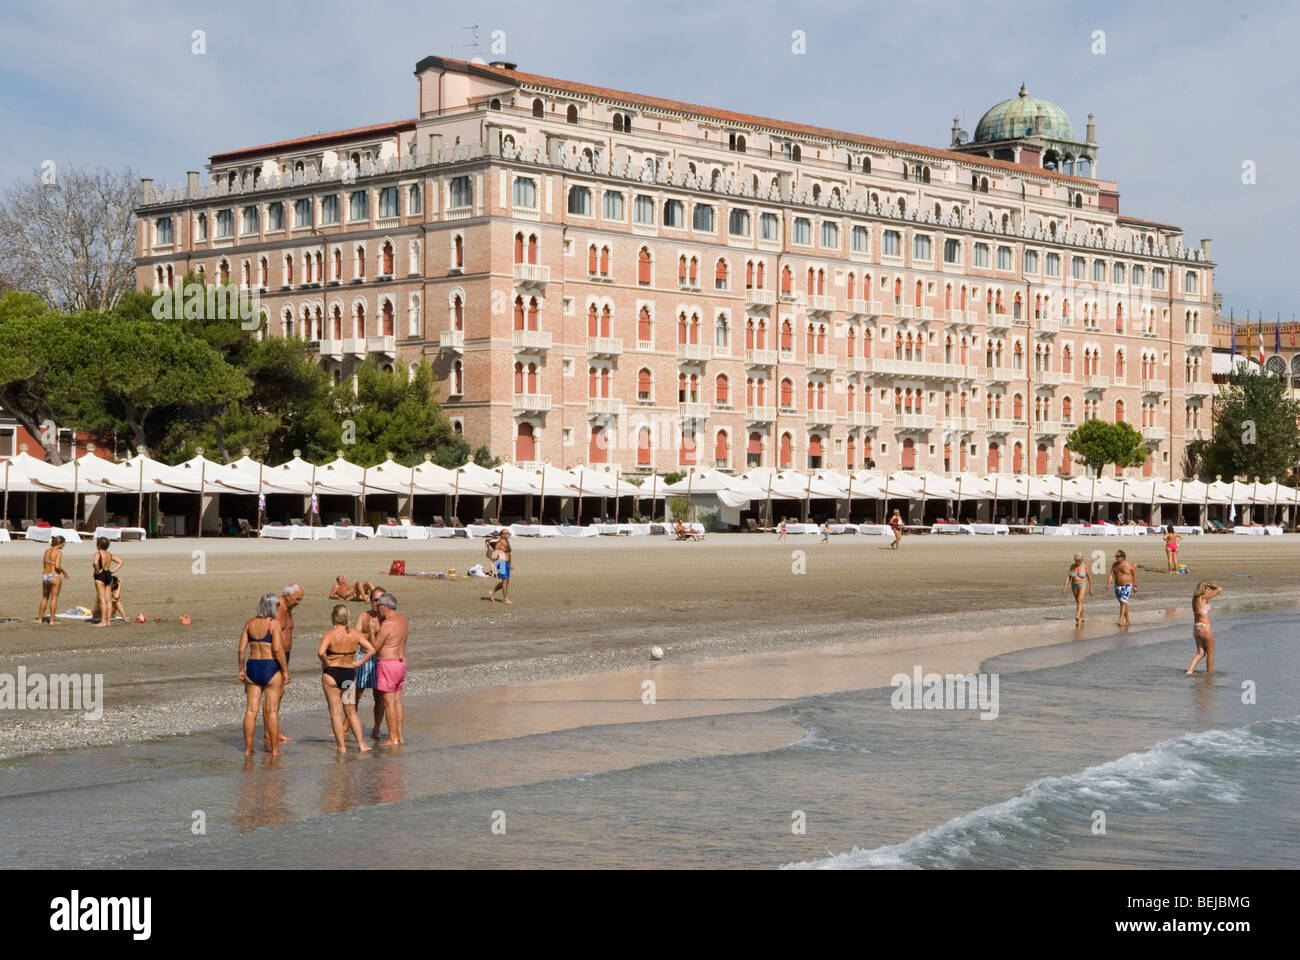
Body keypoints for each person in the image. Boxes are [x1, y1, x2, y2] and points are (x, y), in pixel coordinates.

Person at [318, 602, 375, 753]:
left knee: (335, 713)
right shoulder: (355, 634)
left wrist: (326, 662)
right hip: (348, 674)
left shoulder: (329, 634)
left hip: (331, 674)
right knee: (351, 711)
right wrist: (358, 663)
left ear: (333, 618)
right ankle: (362, 745)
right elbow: (371, 649)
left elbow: (321, 652)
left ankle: (341, 747)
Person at [237, 593, 289, 755]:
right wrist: (285, 670)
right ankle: (274, 750)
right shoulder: (273, 624)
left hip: (253, 666)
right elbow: (278, 649)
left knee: (251, 710)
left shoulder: (249, 623)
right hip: (270, 667)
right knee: (272, 710)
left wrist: (241, 669)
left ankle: (248, 749)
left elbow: (241, 650)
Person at [372, 593, 408, 745]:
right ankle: (399, 736)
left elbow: (375, 648)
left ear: (384, 607)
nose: (377, 609)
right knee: (397, 701)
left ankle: (392, 737)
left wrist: (373, 631)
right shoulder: (403, 621)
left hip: (388, 663)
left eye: (379, 606)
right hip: (401, 663)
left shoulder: (387, 624)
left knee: (389, 702)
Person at [271, 583, 303, 745]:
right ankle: (269, 734)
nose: (299, 603)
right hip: (276, 656)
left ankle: (274, 731)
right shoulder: (278, 609)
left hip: (285, 655)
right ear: (288, 596)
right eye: (297, 599)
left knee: (280, 693)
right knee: (273, 694)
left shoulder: (289, 609)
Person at [354, 586, 387, 738]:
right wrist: (370, 634)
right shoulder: (363, 616)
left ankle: (376, 728)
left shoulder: (386, 619)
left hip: (379, 659)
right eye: (375, 600)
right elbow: (355, 635)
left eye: (381, 600)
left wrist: (369, 634)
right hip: (362, 657)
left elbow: (380, 643)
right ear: (370, 600)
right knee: (355, 694)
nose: (378, 603)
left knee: (379, 696)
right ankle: (347, 725)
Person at [1186, 580, 1223, 674]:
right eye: (1208, 589)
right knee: (1211, 652)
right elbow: (1219, 589)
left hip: (1196, 628)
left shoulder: (1195, 599)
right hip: (1204, 627)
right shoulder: (1203, 597)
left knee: (1201, 653)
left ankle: (1189, 671)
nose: (1210, 591)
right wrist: (1212, 585)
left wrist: (1208, 586)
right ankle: (1210, 675)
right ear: (1203, 589)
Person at [90, 537, 124, 628]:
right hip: (108, 575)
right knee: (108, 599)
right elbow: (121, 562)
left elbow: (95, 563)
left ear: (98, 545)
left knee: (102, 599)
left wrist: (97, 570)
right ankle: (108, 621)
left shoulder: (97, 553)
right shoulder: (109, 554)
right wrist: (113, 571)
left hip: (100, 576)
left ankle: (103, 621)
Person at [37, 535, 70, 625]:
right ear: (60, 544)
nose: (63, 546)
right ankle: (52, 620)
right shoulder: (58, 552)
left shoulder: (47, 551)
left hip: (45, 575)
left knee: (44, 597)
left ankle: (40, 619)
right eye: (63, 544)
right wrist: (64, 572)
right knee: (54, 598)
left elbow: (45, 564)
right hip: (54, 575)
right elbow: (57, 566)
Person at [1106, 549, 1137, 626]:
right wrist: (1108, 583)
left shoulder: (1129, 564)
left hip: (1126, 586)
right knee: (1123, 603)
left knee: (1123, 602)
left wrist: (1135, 586)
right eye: (1115, 556)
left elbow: (1134, 575)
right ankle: (1128, 620)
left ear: (1123, 557)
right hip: (1117, 586)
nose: (1116, 558)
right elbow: (1111, 574)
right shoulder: (1115, 565)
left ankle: (1120, 620)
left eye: (1118, 556)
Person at [1061, 553, 1094, 624]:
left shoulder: (1084, 566)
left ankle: (1077, 616)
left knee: (1079, 600)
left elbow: (1090, 578)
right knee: (1079, 602)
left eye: (1079, 561)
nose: (1077, 562)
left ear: (1081, 560)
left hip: (1082, 585)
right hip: (1074, 585)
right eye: (1076, 561)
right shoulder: (1072, 566)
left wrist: (1091, 589)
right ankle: (1082, 617)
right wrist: (1065, 587)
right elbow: (1068, 577)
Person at [488, 529, 513, 604]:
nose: (508, 534)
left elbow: (508, 553)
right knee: (505, 581)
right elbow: (494, 554)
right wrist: (492, 567)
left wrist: (511, 563)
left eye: (508, 533)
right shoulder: (500, 542)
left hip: (507, 563)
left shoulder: (507, 541)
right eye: (506, 533)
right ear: (502, 535)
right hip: (501, 562)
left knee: (506, 581)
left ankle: (492, 591)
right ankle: (505, 599)